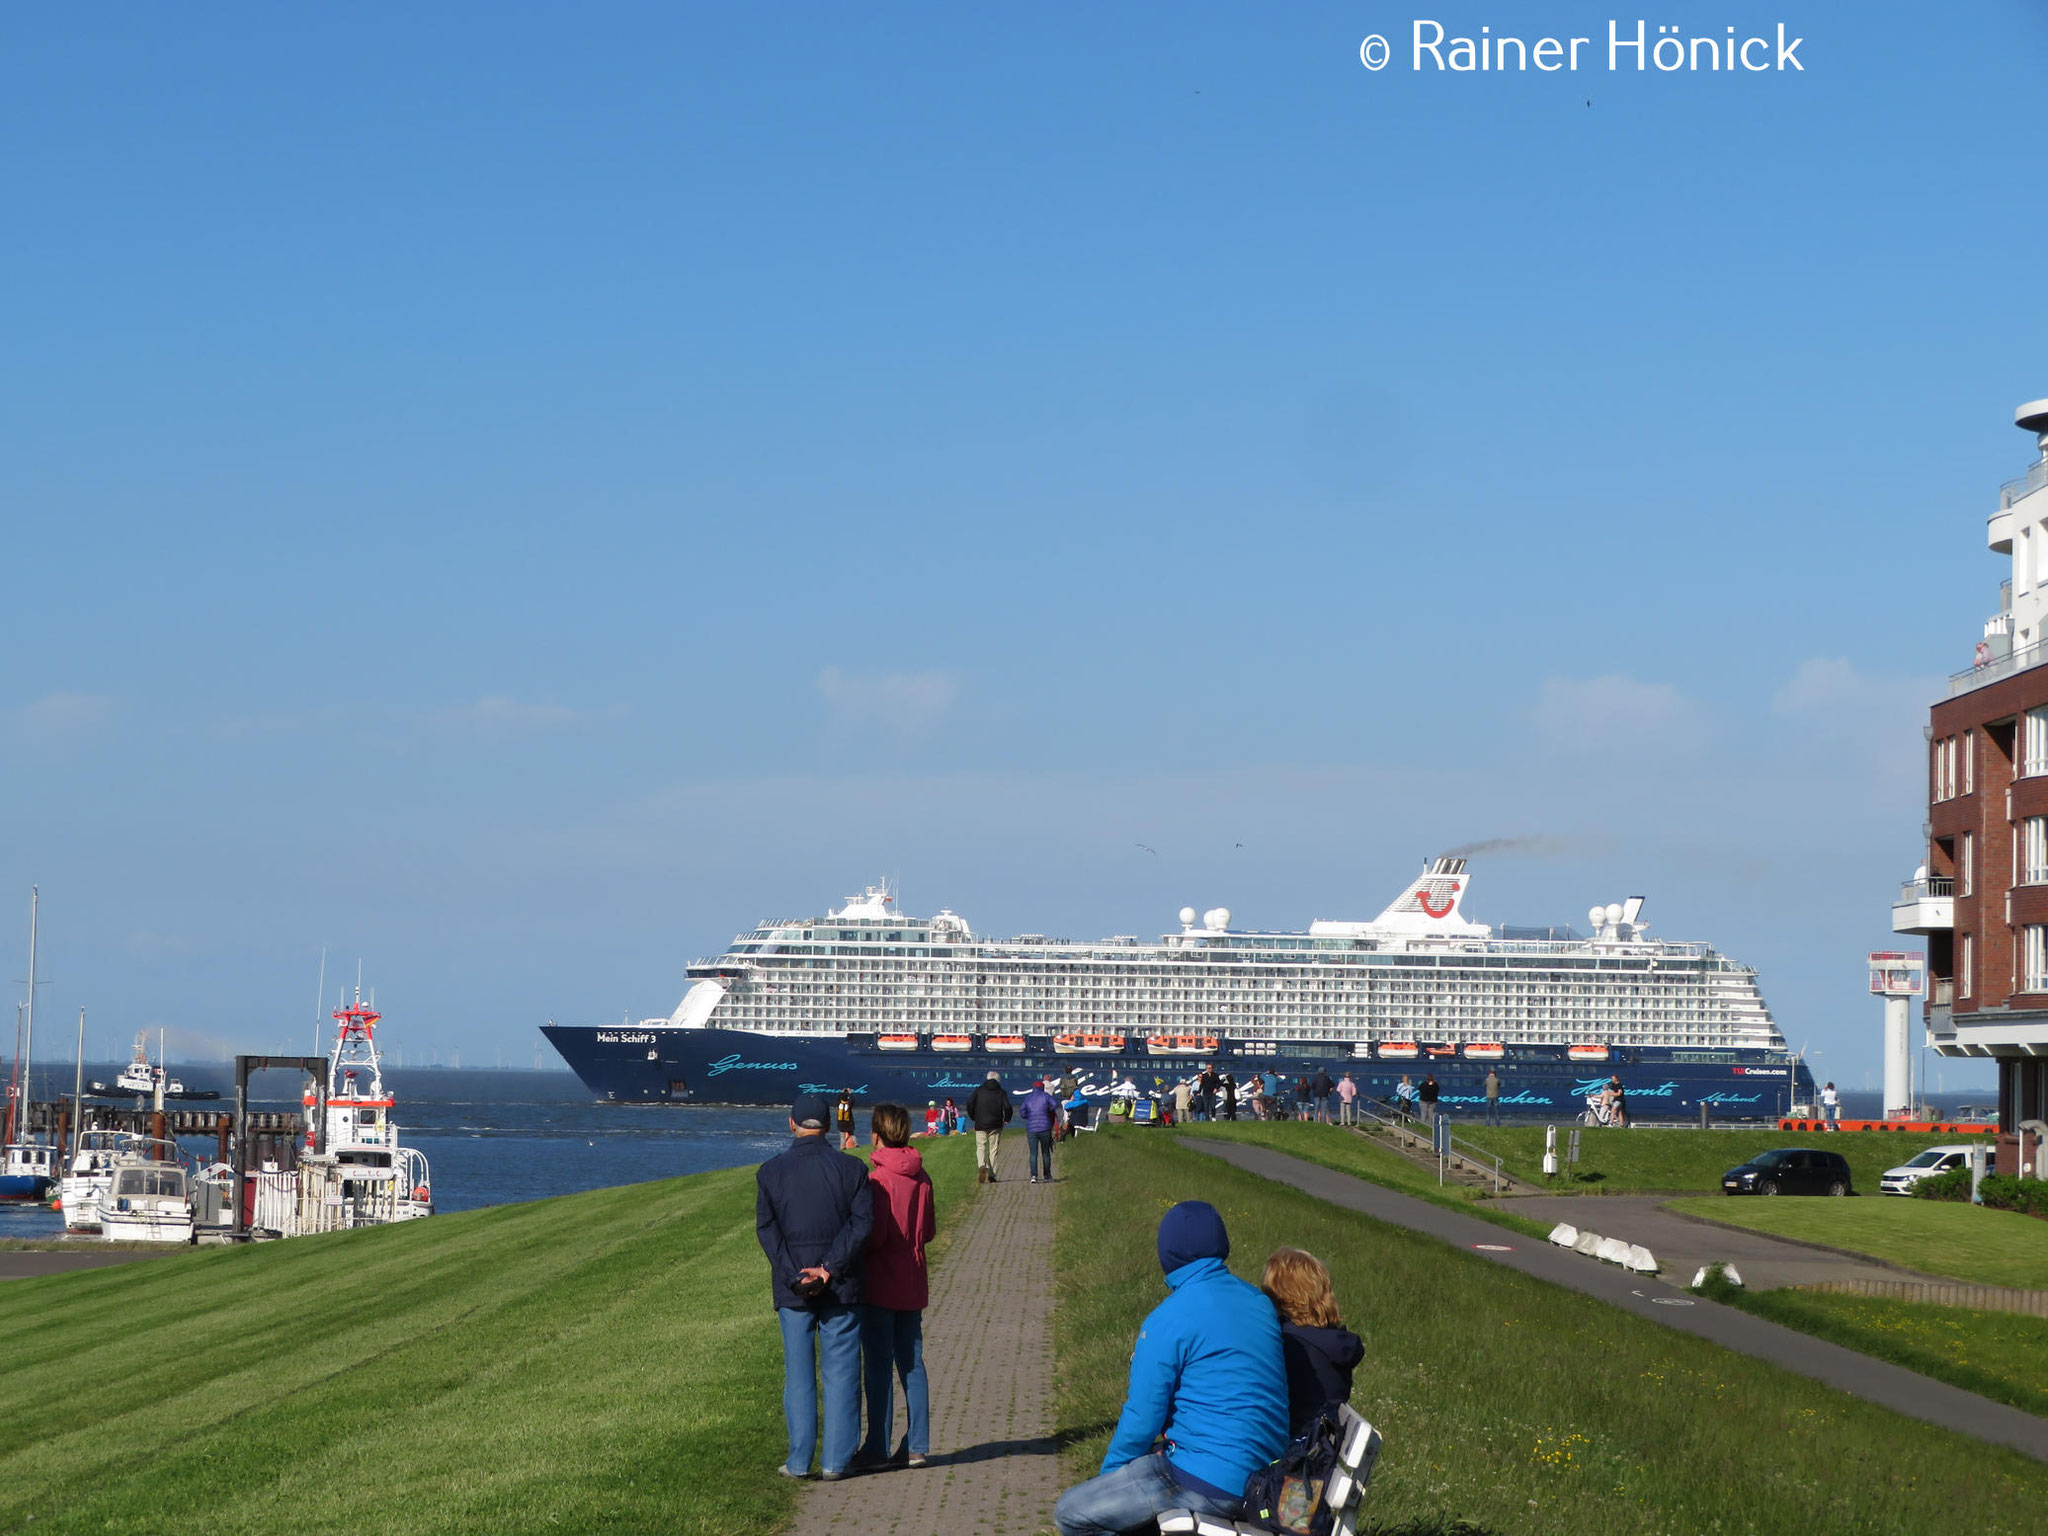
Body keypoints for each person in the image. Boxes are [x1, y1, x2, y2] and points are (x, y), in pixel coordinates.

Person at [1051, 1202, 1289, 1535]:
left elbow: (1141, 1419)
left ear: (1169, 1253)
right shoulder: (1258, 1303)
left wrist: (1110, 1478)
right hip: (1264, 1478)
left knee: (1071, 1512)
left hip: (1206, 1481)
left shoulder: (1168, 1319)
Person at [756, 1092, 874, 1481]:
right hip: (840, 1286)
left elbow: (768, 1232)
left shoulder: (770, 1172)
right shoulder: (852, 1169)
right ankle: (836, 1461)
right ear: (828, 1125)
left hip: (793, 1290)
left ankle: (799, 1460)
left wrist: (796, 1273)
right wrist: (828, 1268)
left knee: (799, 1373)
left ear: (791, 1124)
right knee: (841, 1373)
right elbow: (860, 1226)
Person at [855, 1103, 934, 1472]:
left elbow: (877, 1235)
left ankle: (876, 1445)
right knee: (912, 1363)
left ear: (876, 1134)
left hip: (881, 1279)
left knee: (878, 1365)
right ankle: (917, 1444)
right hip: (913, 1277)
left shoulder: (878, 1180)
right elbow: (929, 1230)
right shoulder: (923, 1176)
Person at [1260, 1247, 1364, 1438]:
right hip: (1317, 1449)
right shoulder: (1334, 1343)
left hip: (1292, 1453)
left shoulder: (1293, 1345)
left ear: (1280, 1297)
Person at [966, 1070, 1013, 1184]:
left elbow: (970, 1104)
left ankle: (982, 1164)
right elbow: (1007, 1107)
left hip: (980, 1123)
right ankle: (992, 1175)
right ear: (998, 1080)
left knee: (981, 1146)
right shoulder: (1001, 1092)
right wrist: (1006, 1119)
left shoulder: (978, 1091)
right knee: (993, 1150)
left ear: (987, 1078)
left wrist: (974, 1117)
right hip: (996, 1124)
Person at [1018, 1078, 1061, 1183]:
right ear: (1042, 1087)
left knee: (1033, 1153)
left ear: (1033, 1088)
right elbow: (1055, 1104)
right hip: (1045, 1128)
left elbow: (1022, 1112)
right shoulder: (1046, 1096)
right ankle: (1047, 1175)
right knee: (1045, 1152)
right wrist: (1048, 1110)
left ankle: (1034, 1176)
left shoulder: (1028, 1098)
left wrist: (1028, 1116)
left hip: (1031, 1129)